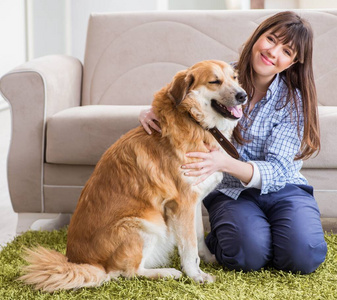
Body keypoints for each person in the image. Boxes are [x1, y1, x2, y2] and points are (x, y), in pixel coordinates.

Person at [139, 11, 327, 274]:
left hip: (284, 189)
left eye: (286, 51)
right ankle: (242, 235)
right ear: (257, 36)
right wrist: (151, 111)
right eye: (270, 39)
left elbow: (281, 169)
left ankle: (271, 234)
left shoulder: (294, 100)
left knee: (304, 256)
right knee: (245, 256)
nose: (273, 52)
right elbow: (180, 94)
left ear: (293, 63)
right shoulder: (219, 73)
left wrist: (224, 163)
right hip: (231, 193)